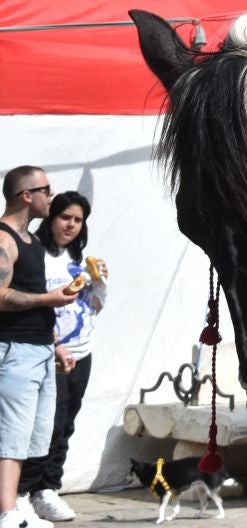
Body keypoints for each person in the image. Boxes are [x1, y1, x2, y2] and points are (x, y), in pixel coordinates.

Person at [19, 194, 104, 525]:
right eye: (65, 217)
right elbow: (34, 305)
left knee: (66, 422)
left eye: (78, 220)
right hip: (49, 350)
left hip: (82, 350)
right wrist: (55, 345)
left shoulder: (79, 258)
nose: (71, 225)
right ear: (51, 218)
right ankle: (23, 491)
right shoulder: (35, 255)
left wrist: (100, 284)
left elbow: (94, 306)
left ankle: (47, 488)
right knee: (45, 425)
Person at [0, 168, 77, 528]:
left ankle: (17, 505)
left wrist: (56, 345)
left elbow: (33, 294)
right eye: (46, 189)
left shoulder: (30, 240)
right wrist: (49, 299)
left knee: (35, 437)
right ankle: (6, 513)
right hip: (14, 350)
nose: (52, 195)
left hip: (40, 348)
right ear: (26, 195)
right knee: (12, 437)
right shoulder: (3, 239)